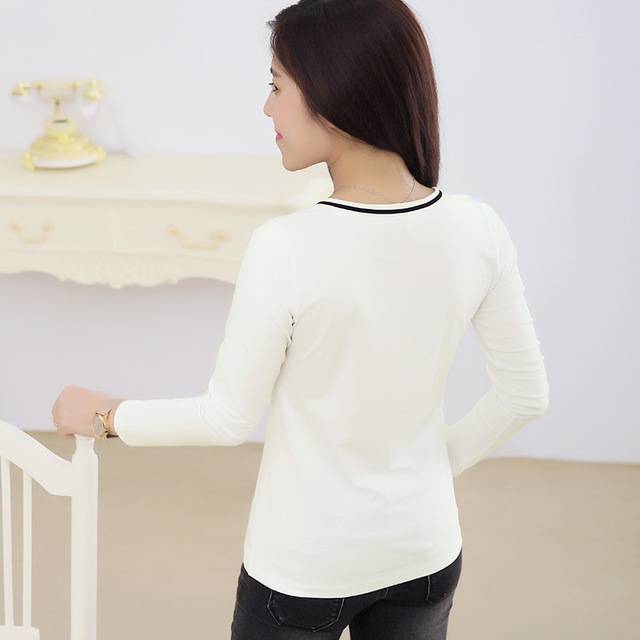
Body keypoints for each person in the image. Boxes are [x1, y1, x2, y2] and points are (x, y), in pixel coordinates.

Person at [52, 1, 550, 638]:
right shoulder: (479, 229)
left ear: (334, 92)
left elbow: (227, 418)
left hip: (303, 570)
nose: (267, 109)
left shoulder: (287, 247)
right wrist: (422, 477)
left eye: (277, 86)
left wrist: (106, 415)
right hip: (425, 554)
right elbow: (524, 395)